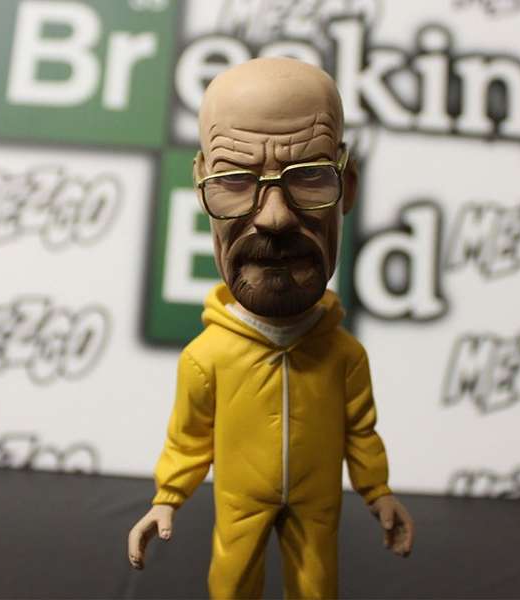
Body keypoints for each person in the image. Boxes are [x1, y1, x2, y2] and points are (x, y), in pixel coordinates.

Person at [128, 57, 414, 599]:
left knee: (317, 584)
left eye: (308, 176)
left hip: (318, 504)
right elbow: (189, 439)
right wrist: (166, 498)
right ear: (201, 190)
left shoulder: (345, 356)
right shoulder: (205, 358)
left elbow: (360, 431)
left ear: (348, 186)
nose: (275, 217)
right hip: (239, 503)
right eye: (235, 181)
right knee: (231, 581)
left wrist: (378, 491)